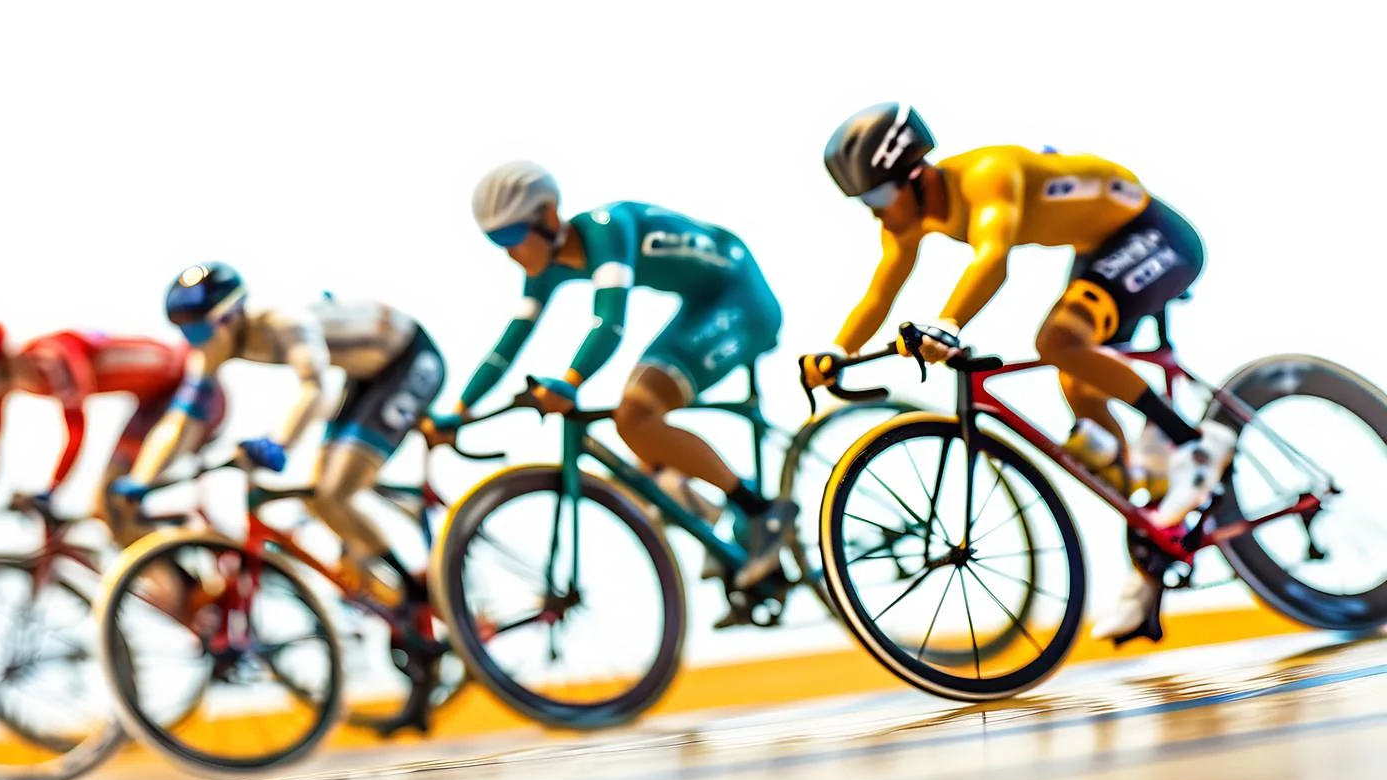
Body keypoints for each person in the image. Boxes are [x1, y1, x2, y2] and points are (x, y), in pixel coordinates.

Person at [810, 102, 1236, 644]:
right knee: (1083, 401)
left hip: (1154, 234)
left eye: (876, 197)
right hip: (1102, 248)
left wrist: (947, 324)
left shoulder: (988, 176)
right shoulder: (907, 217)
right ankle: (1153, 547)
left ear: (914, 176)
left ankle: (1192, 445)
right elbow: (881, 290)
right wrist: (835, 351)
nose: (874, 213)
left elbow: (993, 258)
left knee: (1058, 341)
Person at [424, 161, 791, 602]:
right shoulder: (547, 268)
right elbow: (508, 344)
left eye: (510, 236)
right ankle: (715, 518)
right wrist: (459, 411)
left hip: (739, 298)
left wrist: (570, 382)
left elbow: (610, 322)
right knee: (642, 446)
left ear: (548, 216)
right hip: (701, 305)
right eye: (495, 241)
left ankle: (761, 513)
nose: (507, 252)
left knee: (635, 413)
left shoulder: (606, 229)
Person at [111, 262, 445, 610]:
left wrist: (278, 442)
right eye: (186, 333)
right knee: (318, 497)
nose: (197, 345)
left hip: (408, 360)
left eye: (199, 333)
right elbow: (180, 422)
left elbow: (313, 388)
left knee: (333, 493)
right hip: (365, 375)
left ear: (231, 317)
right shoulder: (209, 354)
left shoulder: (286, 323)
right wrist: (140, 479)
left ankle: (418, 595)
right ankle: (393, 597)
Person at [0, 314, 225, 543]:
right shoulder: (2, 388)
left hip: (190, 389)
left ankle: (191, 547)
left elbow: (75, 432)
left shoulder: (50, 358)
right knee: (108, 514)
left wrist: (50, 492)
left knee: (111, 502)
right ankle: (175, 559)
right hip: (153, 403)